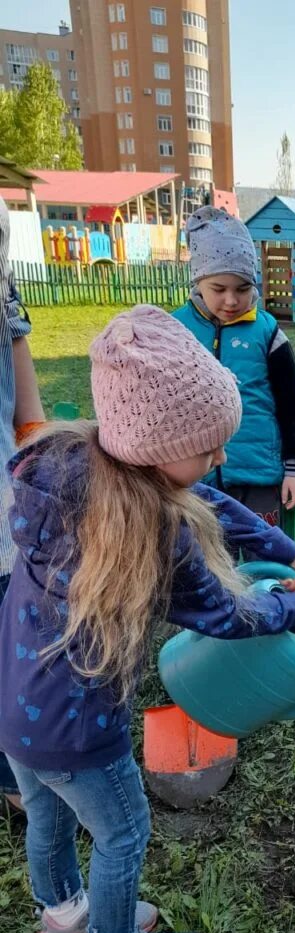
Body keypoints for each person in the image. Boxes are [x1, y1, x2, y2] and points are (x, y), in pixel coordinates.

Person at [0, 306, 295, 933]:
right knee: (123, 832)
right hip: (82, 733)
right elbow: (228, 613)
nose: (219, 459)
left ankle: (64, 919)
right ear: (156, 446)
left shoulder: (60, 468)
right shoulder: (149, 532)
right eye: (208, 445)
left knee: (49, 817)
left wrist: (283, 547)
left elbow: (205, 497)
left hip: (14, 715)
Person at [173, 205, 295, 526]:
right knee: (207, 565)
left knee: (263, 559)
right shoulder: (176, 330)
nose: (232, 300)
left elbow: (292, 404)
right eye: (219, 289)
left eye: (243, 289)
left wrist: (294, 468)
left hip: (257, 477)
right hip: (196, 480)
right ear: (198, 282)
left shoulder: (267, 333)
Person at [0, 195, 45, 812]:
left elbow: (29, 412)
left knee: (11, 637)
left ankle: (15, 781)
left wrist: (38, 477)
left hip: (3, 506)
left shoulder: (5, 309)